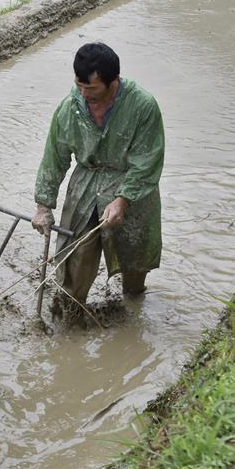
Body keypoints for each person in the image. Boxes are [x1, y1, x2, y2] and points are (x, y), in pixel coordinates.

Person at [32, 42, 164, 323]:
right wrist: (43, 205)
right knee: (74, 254)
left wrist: (123, 200)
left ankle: (134, 305)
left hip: (130, 184)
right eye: (79, 86)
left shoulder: (143, 107)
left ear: (113, 81)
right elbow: (54, 157)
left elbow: (147, 161)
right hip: (87, 183)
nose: (84, 94)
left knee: (134, 256)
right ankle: (70, 312)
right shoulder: (71, 108)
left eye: (91, 89)